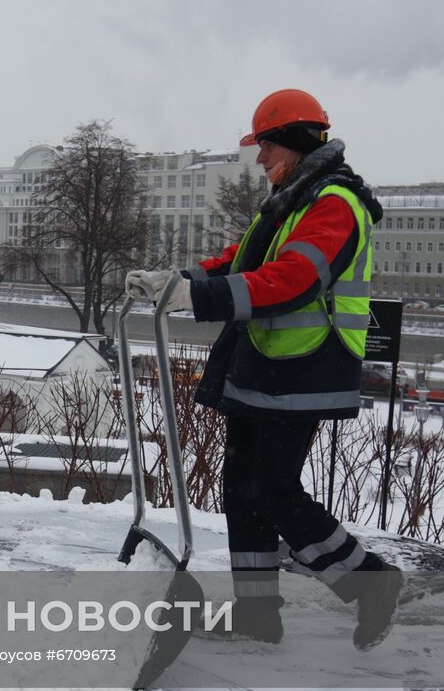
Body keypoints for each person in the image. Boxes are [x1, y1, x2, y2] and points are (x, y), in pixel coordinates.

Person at [125, 88, 402, 650]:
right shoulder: (292, 200)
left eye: (267, 146)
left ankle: (371, 582)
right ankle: (256, 614)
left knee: (273, 489)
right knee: (241, 488)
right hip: (265, 366)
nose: (259, 159)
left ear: (297, 144)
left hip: (305, 368)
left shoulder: (333, 204)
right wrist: (176, 280)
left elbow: (294, 278)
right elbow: (242, 260)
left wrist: (196, 298)